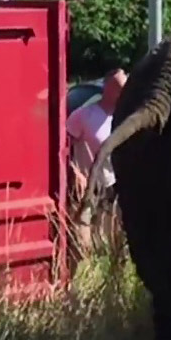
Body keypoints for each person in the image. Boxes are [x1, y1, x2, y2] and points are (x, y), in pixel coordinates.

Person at [66, 67, 127, 249]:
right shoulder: (84, 116)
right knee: (82, 243)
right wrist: (74, 170)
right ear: (108, 88)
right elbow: (63, 147)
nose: (124, 92)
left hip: (112, 187)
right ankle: (78, 274)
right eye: (119, 87)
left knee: (112, 242)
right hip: (86, 187)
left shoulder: (125, 118)